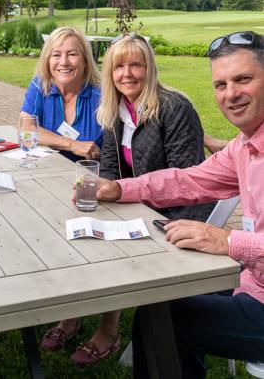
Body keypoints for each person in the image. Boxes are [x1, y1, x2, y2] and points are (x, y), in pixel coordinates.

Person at [96, 31, 264, 378]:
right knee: (162, 306)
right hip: (251, 284)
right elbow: (188, 180)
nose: (231, 94)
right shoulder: (244, 145)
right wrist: (120, 189)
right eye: (221, 84)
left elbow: (228, 238)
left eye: (243, 79)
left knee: (161, 320)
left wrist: (226, 241)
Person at [40, 33, 214, 366]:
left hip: (174, 215)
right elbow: (107, 167)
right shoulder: (115, 109)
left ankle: (108, 331)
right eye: (119, 66)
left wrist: (139, 210)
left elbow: (185, 182)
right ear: (110, 73)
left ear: (150, 68)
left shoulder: (174, 108)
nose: (128, 74)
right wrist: (100, 192)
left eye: (137, 64)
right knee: (79, 228)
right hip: (135, 206)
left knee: (113, 249)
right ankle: (72, 314)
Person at [20, 27, 103, 161]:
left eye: (72, 54)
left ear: (86, 61)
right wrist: (72, 144)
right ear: (48, 60)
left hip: (90, 176)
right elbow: (25, 130)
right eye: (56, 55)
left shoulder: (101, 95)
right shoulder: (40, 86)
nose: (64, 62)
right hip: (49, 170)